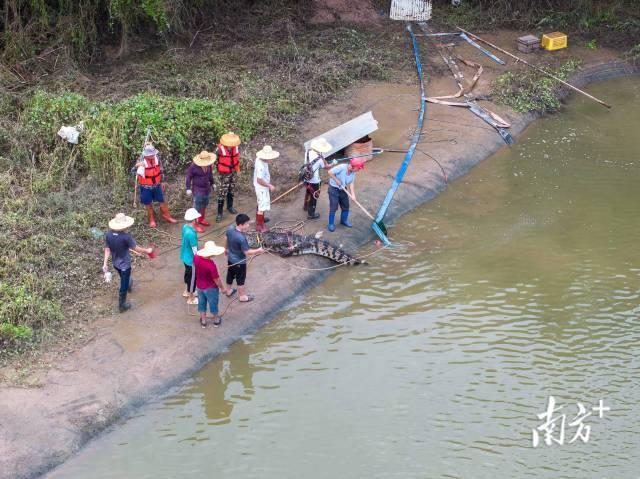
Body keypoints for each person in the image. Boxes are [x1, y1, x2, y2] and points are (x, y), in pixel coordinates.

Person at [103, 213, 153, 312]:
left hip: (115, 263)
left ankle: (129, 284)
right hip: (125, 265)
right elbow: (135, 247)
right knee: (123, 285)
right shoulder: (126, 236)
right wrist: (147, 251)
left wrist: (104, 263)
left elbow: (108, 249)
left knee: (124, 277)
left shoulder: (108, 234)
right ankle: (122, 305)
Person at [135, 143, 177, 228]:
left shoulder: (157, 158)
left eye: (153, 154)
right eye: (150, 155)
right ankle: (151, 219)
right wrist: (137, 166)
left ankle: (166, 215)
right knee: (148, 204)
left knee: (162, 201)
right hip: (145, 187)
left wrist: (163, 181)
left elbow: (161, 170)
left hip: (157, 185)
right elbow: (133, 172)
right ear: (146, 155)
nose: (152, 156)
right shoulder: (141, 160)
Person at [225, 213, 264, 303]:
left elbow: (226, 238)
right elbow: (247, 252)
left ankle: (228, 291)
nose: (248, 225)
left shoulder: (230, 229)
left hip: (230, 259)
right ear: (241, 224)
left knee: (230, 275)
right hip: (239, 262)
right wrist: (258, 250)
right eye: (247, 223)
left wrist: (226, 249)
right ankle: (242, 296)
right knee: (240, 279)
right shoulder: (241, 238)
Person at [193, 241, 231, 328]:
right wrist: (222, 288)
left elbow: (195, 267)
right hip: (210, 288)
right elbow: (216, 280)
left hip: (199, 286)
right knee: (213, 303)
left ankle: (203, 321)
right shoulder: (211, 265)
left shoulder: (196, 257)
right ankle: (216, 320)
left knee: (202, 303)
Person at [326, 157, 366, 232]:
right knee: (333, 207)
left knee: (346, 206)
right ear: (353, 166)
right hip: (333, 189)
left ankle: (343, 221)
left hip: (343, 189)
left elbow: (351, 183)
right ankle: (331, 224)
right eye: (358, 168)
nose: (359, 170)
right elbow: (329, 172)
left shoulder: (353, 172)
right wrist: (336, 180)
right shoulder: (341, 167)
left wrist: (353, 195)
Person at [214, 131, 241, 223]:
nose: (231, 145)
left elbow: (236, 158)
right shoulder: (219, 149)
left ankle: (230, 207)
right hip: (223, 174)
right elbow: (214, 160)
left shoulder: (236, 147)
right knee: (222, 192)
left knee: (231, 190)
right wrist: (220, 169)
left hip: (233, 172)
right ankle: (219, 213)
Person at [302, 137, 332, 220]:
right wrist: (332, 164)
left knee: (308, 192)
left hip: (306, 177)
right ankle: (311, 213)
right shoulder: (319, 159)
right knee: (314, 196)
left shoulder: (307, 152)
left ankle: (305, 206)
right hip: (315, 180)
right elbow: (326, 167)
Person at [185, 150, 216, 233]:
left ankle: (201, 219)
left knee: (204, 204)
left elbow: (210, 175)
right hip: (198, 189)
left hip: (206, 188)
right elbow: (188, 177)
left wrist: (213, 183)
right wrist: (188, 188)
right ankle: (195, 224)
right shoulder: (193, 167)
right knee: (197, 207)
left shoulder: (209, 166)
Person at [253, 145, 279, 233]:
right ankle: (260, 226)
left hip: (261, 187)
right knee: (262, 206)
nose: (272, 159)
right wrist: (269, 185)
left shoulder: (259, 159)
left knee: (260, 203)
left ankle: (260, 220)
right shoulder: (260, 166)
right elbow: (259, 180)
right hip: (261, 187)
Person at [181, 208, 202, 305]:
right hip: (191, 260)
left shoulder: (185, 227)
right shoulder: (191, 234)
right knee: (193, 278)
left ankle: (187, 291)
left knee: (188, 275)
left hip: (185, 256)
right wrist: (199, 260)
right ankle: (191, 297)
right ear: (194, 220)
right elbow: (195, 250)